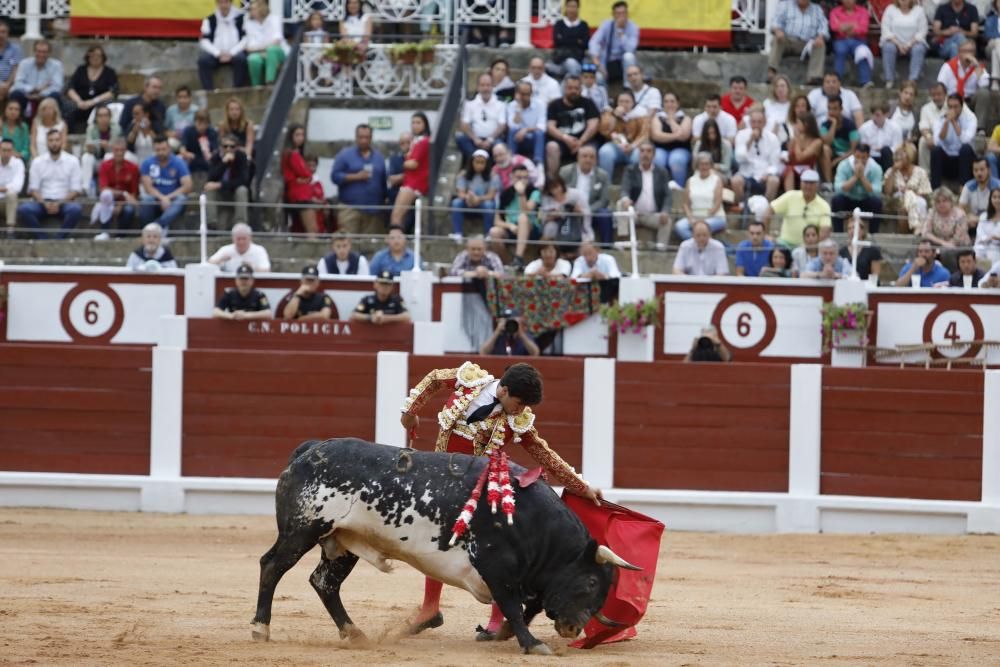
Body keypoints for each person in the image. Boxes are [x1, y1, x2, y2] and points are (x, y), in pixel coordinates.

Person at [399, 361, 598, 640]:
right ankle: (430, 608)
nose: (520, 410)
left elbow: (544, 454)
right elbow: (433, 379)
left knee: (497, 549)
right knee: (436, 539)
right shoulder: (469, 381)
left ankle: (496, 619)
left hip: (484, 490)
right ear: (503, 389)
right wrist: (409, 413)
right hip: (443, 479)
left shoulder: (517, 420)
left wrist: (581, 486)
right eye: (518, 403)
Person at [17, 129, 81, 239]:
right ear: (47, 143)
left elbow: (76, 190)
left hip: (64, 202)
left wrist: (59, 203)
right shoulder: (37, 162)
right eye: (51, 140)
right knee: (24, 209)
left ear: (62, 141)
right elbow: (33, 189)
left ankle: (59, 239)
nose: (54, 143)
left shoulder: (73, 161)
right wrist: (45, 203)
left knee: (76, 209)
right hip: (42, 202)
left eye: (57, 140)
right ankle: (42, 238)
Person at [331, 123, 387, 235]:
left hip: (373, 211)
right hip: (350, 209)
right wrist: (356, 177)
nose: (364, 140)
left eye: (367, 137)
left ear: (371, 138)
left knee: (370, 246)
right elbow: (335, 176)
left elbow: (383, 181)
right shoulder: (344, 155)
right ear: (356, 137)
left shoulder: (379, 157)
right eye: (361, 137)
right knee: (348, 243)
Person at [618, 142, 672, 249]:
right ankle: (624, 241)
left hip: (652, 215)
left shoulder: (662, 172)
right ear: (638, 154)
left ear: (654, 155)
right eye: (642, 151)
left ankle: (661, 248)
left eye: (648, 151)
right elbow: (625, 188)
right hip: (634, 213)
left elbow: (668, 195)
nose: (645, 154)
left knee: (667, 221)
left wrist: (665, 211)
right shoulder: (630, 170)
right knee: (620, 204)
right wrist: (625, 198)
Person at [545, 74, 600, 177]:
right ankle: (553, 182)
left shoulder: (588, 103)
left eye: (576, 88)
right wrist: (565, 138)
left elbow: (594, 124)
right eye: (570, 88)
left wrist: (581, 141)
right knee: (551, 147)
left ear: (581, 89)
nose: (573, 91)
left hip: (584, 141)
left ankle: (591, 182)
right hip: (561, 141)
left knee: (590, 150)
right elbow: (550, 126)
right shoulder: (554, 105)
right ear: (565, 89)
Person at [490, 163, 541, 269]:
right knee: (494, 232)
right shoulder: (505, 194)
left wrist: (521, 194)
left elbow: (526, 211)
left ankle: (519, 257)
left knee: (522, 218)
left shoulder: (534, 192)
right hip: (512, 227)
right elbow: (497, 221)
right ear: (512, 178)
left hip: (530, 228)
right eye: (519, 177)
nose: (522, 180)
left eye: (525, 177)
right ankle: (505, 264)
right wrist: (510, 226)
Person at [139, 135, 193, 234]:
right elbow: (147, 188)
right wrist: (162, 198)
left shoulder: (179, 162)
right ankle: (154, 228)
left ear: (169, 148)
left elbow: (188, 186)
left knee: (182, 199)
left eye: (163, 149)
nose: (161, 152)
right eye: (157, 150)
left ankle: (156, 227)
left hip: (173, 199)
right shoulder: (147, 163)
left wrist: (168, 197)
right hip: (155, 199)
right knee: (146, 199)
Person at [560, 144, 612, 244]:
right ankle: (564, 247)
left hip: (592, 210)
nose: (588, 160)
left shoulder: (602, 175)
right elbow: (559, 194)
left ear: (596, 160)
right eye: (584, 156)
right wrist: (571, 208)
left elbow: (604, 200)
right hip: (571, 210)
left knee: (605, 214)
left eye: (592, 157)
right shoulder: (565, 172)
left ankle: (607, 245)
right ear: (578, 158)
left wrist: (586, 211)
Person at [768, 0, 829, 85]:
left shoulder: (817, 9)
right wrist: (777, 30)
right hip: (788, 41)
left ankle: (814, 77)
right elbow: (775, 23)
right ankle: (772, 72)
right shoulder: (785, 5)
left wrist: (820, 37)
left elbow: (823, 27)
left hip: (807, 45)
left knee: (820, 45)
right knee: (776, 39)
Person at [766, 170, 833, 246]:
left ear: (817, 185)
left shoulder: (823, 205)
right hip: (785, 244)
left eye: (811, 183)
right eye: (805, 182)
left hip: (809, 248)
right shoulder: (790, 196)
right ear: (801, 183)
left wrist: (810, 246)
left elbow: (825, 230)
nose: (808, 186)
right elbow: (769, 210)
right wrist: (766, 234)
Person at [937, 39, 991, 132]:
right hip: (952, 102)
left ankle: (979, 128)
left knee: (984, 93)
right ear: (959, 52)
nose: (968, 54)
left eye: (971, 51)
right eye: (965, 51)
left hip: (969, 101)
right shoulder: (949, 66)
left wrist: (978, 70)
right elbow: (940, 86)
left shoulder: (978, 67)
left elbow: (984, 85)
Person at [63, 45, 118, 133]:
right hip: (80, 102)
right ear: (88, 57)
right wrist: (79, 101)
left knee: (102, 111)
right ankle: (69, 135)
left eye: (98, 56)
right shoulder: (80, 70)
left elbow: (112, 91)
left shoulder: (109, 72)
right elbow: (70, 88)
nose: (95, 58)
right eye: (92, 56)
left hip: (99, 102)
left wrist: (93, 101)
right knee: (69, 109)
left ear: (103, 57)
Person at [390, 112, 431, 229]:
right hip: (411, 181)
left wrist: (404, 162)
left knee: (396, 215)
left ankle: (395, 239)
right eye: (413, 122)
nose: (415, 125)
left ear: (425, 124)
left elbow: (413, 163)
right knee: (400, 216)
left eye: (418, 122)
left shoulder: (423, 141)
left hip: (414, 183)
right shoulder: (417, 141)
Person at [93, 138, 139, 240]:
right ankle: (104, 232)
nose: (119, 153)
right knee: (106, 195)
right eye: (116, 150)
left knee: (129, 210)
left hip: (125, 201)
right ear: (112, 151)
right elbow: (103, 188)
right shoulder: (105, 166)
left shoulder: (133, 168)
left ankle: (120, 236)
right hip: (108, 200)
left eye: (121, 150)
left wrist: (121, 205)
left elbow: (134, 193)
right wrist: (123, 193)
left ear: (125, 151)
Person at [732, 108, 782, 203]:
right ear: (750, 123)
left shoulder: (772, 138)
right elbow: (739, 158)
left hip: (764, 174)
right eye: (754, 122)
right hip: (746, 173)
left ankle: (766, 208)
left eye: (759, 122)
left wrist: (768, 173)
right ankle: (742, 206)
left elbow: (775, 163)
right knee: (735, 181)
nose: (756, 125)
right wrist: (750, 141)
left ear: (764, 123)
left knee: (774, 180)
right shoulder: (741, 135)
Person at [450, 149, 500, 241]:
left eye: (482, 163)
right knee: (456, 203)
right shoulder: (463, 174)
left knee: (489, 205)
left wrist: (478, 199)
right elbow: (461, 193)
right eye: (477, 162)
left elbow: (491, 195)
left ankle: (488, 233)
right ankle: (458, 233)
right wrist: (469, 198)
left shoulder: (493, 176)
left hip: (483, 202)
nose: (479, 165)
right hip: (468, 201)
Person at [198, 0, 248, 91]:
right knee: (203, 61)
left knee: (241, 59)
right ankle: (209, 91)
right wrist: (218, 53)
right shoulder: (210, 19)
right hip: (217, 54)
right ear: (217, 4)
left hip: (235, 53)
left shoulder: (241, 18)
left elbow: (246, 39)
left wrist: (231, 53)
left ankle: (237, 89)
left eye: (226, 2)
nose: (224, 5)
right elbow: (204, 41)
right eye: (221, 2)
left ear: (231, 3)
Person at [456, 73, 506, 162]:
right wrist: (475, 139)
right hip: (475, 139)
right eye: (482, 85)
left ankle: (487, 165)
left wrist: (490, 140)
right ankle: (477, 161)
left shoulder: (500, 103)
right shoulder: (470, 103)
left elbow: (502, 124)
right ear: (478, 87)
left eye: (488, 85)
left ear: (492, 86)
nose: (485, 88)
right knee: (460, 138)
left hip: (493, 140)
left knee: (500, 147)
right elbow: (464, 124)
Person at [832, 143, 884, 230]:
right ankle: (838, 233)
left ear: (868, 156)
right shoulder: (844, 165)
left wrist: (862, 177)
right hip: (848, 199)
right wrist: (855, 177)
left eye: (863, 158)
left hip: (865, 200)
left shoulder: (875, 168)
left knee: (877, 202)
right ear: (853, 155)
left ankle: (873, 234)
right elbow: (838, 188)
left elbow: (877, 191)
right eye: (857, 157)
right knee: (836, 200)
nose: (859, 160)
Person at [675, 151, 726, 240]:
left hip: (714, 217)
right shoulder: (690, 181)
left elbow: (717, 203)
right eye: (701, 164)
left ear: (710, 165)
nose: (704, 167)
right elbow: (685, 204)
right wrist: (690, 217)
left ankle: (701, 244)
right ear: (697, 166)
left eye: (706, 164)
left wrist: (702, 220)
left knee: (702, 228)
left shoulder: (717, 180)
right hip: (694, 216)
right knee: (680, 227)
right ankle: (699, 243)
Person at [597, 90, 648, 177]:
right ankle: (606, 183)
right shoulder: (609, 113)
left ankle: (633, 186)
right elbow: (605, 131)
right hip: (615, 145)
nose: (624, 104)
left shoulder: (641, 114)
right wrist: (614, 117)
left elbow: (644, 134)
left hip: (635, 146)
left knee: (637, 155)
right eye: (621, 101)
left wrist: (632, 146)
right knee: (604, 151)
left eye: (627, 101)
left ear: (633, 103)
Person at [205, 133, 251, 230]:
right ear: (220, 147)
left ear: (237, 147)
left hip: (234, 192)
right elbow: (211, 177)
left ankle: (240, 224)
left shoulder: (241, 157)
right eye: (225, 146)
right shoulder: (216, 157)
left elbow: (243, 180)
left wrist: (221, 184)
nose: (228, 149)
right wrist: (224, 163)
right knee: (209, 188)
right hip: (220, 194)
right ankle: (211, 224)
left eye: (232, 146)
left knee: (242, 190)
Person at [282, 123, 321, 236]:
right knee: (312, 229)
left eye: (302, 135)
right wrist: (305, 177)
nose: (300, 138)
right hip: (300, 195)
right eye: (297, 135)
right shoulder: (292, 154)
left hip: (299, 193)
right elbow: (306, 173)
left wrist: (304, 178)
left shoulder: (293, 153)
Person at [587, 1, 639, 85]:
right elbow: (593, 42)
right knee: (599, 77)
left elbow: (631, 48)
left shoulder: (633, 27)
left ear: (627, 14)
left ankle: (627, 87)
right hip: (608, 62)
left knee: (628, 56)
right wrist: (597, 62)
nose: (621, 16)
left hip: (623, 63)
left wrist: (621, 33)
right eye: (618, 13)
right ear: (613, 15)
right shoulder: (606, 25)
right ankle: (604, 96)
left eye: (623, 13)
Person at [931, 93, 977, 188]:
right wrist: (947, 122)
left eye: (956, 107)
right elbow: (937, 142)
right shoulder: (941, 118)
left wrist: (954, 122)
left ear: (962, 106)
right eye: (950, 107)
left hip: (964, 160)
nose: (953, 110)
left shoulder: (970, 118)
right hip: (948, 160)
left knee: (966, 149)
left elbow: (966, 140)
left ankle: (963, 189)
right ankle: (935, 189)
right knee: (936, 150)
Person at [883, 143, 932, 233]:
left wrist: (910, 193)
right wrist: (893, 171)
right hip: (897, 201)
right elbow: (888, 192)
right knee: (906, 201)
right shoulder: (891, 171)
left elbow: (925, 192)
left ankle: (916, 228)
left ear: (909, 156)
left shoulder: (920, 171)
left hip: (917, 200)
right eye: (897, 155)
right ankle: (917, 227)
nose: (898, 158)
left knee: (913, 199)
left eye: (901, 155)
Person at [881, 0, 929, 89]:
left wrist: (909, 45)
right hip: (894, 43)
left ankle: (912, 81)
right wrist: (898, 44)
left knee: (919, 48)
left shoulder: (919, 10)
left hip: (913, 43)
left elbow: (922, 31)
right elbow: (886, 29)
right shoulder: (890, 9)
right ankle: (889, 80)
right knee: (888, 47)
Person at [9, 40, 63, 117]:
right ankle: (19, 124)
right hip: (26, 96)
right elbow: (18, 83)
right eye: (39, 51)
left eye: (44, 52)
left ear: (49, 53)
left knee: (55, 96)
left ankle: (52, 125)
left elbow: (57, 87)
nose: (41, 54)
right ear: (34, 51)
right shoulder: (24, 63)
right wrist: (33, 89)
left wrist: (41, 95)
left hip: (45, 97)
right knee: (15, 94)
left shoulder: (56, 65)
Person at [651, 93, 693, 185]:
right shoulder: (657, 118)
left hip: (681, 149)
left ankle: (678, 187)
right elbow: (656, 136)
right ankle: (659, 188)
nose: (669, 104)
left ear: (678, 104)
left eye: (672, 101)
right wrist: (676, 135)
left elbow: (684, 136)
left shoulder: (685, 118)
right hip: (660, 148)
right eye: (666, 102)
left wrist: (671, 121)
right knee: (658, 159)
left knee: (676, 160)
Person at [829, 0, 872, 87]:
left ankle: (865, 81)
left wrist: (845, 27)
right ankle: (837, 81)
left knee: (863, 52)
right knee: (840, 50)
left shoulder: (863, 11)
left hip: (858, 40)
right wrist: (853, 25)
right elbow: (834, 27)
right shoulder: (835, 11)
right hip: (841, 40)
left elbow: (864, 28)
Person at [80, 105, 121, 197]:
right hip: (96, 160)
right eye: (100, 116)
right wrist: (91, 147)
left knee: (109, 156)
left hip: (111, 162)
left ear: (110, 117)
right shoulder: (91, 128)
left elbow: (118, 149)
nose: (103, 118)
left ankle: (106, 186)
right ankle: (86, 188)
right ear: (96, 118)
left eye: (106, 115)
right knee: (86, 157)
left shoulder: (116, 129)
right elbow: (86, 148)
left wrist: (107, 146)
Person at [245, 0, 288, 86]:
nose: (251, 11)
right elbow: (249, 47)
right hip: (260, 53)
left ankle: (270, 82)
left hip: (278, 52)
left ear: (262, 8)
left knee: (272, 51)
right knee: (253, 59)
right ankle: (256, 87)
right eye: (251, 9)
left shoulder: (274, 19)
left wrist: (263, 49)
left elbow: (277, 42)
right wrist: (264, 50)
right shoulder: (249, 23)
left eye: (254, 9)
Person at [540, 174, 591, 243]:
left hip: (575, 222)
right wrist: (553, 215)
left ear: (562, 184)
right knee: (550, 227)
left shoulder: (576, 194)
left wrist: (578, 211)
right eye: (551, 188)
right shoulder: (547, 199)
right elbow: (543, 218)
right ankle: (552, 249)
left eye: (556, 187)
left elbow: (587, 213)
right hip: (557, 224)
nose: (555, 190)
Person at [819, 96, 859, 183]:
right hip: (831, 155)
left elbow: (853, 149)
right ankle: (828, 183)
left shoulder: (851, 125)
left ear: (841, 109)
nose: (831, 112)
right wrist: (833, 124)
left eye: (835, 109)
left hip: (847, 156)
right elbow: (827, 142)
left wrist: (838, 160)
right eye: (829, 109)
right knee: (825, 149)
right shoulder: (825, 125)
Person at [506, 81, 546, 166]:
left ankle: (538, 163)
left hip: (533, 138)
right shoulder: (511, 105)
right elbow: (512, 126)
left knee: (539, 133)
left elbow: (542, 127)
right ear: (517, 94)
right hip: (518, 139)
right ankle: (511, 161)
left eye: (528, 94)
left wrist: (526, 130)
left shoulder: (540, 105)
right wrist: (518, 109)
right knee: (513, 131)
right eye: (522, 94)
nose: (525, 97)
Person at [922, 187, 971, 254]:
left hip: (959, 246)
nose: (941, 204)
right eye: (938, 202)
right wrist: (942, 243)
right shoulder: (932, 212)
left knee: (946, 252)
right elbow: (926, 233)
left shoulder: (960, 214)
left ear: (951, 201)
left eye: (944, 201)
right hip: (939, 244)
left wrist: (945, 245)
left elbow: (958, 238)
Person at [547, 0, 589, 78]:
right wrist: (577, 40)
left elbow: (585, 44)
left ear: (578, 8)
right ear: (566, 8)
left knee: (573, 65)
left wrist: (565, 38)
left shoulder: (583, 25)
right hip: (561, 58)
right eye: (569, 6)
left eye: (574, 7)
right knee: (569, 64)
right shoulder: (559, 24)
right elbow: (557, 41)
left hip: (579, 58)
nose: (571, 9)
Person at [783, 111, 823, 191]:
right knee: (789, 170)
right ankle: (789, 195)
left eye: (798, 123)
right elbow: (790, 157)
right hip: (792, 170)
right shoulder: (795, 139)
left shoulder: (817, 142)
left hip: (808, 169)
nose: (796, 126)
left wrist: (797, 140)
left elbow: (800, 157)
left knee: (804, 174)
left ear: (806, 125)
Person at [959, 157, 1000, 232]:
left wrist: (979, 219)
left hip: (994, 222)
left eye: (982, 169)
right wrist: (967, 217)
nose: (979, 173)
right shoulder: (968, 186)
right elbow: (960, 209)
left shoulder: (998, 185)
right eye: (976, 170)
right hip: (974, 223)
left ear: (989, 170)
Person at [859, 103, 904, 171]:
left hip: (888, 158)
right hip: (871, 157)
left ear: (886, 114)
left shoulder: (895, 128)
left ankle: (888, 175)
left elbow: (898, 146)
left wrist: (883, 150)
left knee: (886, 150)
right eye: (873, 114)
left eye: (877, 115)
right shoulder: (864, 128)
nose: (874, 117)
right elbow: (862, 147)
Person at [839, 216, 883, 280]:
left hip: (866, 285)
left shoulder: (873, 250)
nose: (852, 231)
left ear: (862, 231)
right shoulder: (842, 251)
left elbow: (875, 274)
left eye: (854, 228)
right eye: (849, 228)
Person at [179, 109, 219, 177]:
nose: (202, 126)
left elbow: (215, 149)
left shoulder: (212, 132)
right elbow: (182, 148)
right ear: (195, 122)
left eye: (205, 123)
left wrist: (212, 155)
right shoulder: (188, 131)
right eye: (199, 123)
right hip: (192, 157)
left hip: (206, 158)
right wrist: (186, 154)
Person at [692, 118, 731, 183]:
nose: (711, 136)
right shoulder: (699, 145)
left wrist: (711, 166)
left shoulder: (725, 145)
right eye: (708, 134)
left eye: (713, 133)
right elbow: (695, 165)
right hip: (702, 171)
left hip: (721, 174)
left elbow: (726, 166)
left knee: (713, 175)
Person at [29, 97, 66, 162]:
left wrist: (55, 159)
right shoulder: (36, 123)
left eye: (50, 108)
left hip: (57, 159)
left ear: (55, 110)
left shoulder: (62, 125)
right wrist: (37, 159)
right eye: (44, 109)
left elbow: (63, 144)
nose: (47, 111)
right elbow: (32, 145)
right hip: (39, 158)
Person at [0, 137, 24, 233]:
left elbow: (18, 186)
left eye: (9, 150)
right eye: (4, 150)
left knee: (12, 194)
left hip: (8, 202)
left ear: (13, 151)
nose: (6, 153)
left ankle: (10, 231)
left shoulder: (18, 163)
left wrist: (2, 189)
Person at [0, 20, 22, 109]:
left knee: (17, 93)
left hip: (10, 84)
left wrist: (8, 84)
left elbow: (16, 68)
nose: (1, 35)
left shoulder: (15, 49)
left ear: (8, 34)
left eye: (3, 32)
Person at [763, 75, 793, 139]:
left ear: (788, 88)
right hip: (768, 137)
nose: (780, 89)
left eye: (782, 86)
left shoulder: (792, 105)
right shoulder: (768, 103)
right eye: (777, 86)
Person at [975, 187, 1000, 263]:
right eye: (994, 197)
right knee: (977, 251)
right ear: (990, 199)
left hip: (997, 248)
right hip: (985, 246)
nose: (997, 200)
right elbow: (980, 235)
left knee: (993, 253)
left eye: (999, 197)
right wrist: (989, 238)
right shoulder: (984, 216)